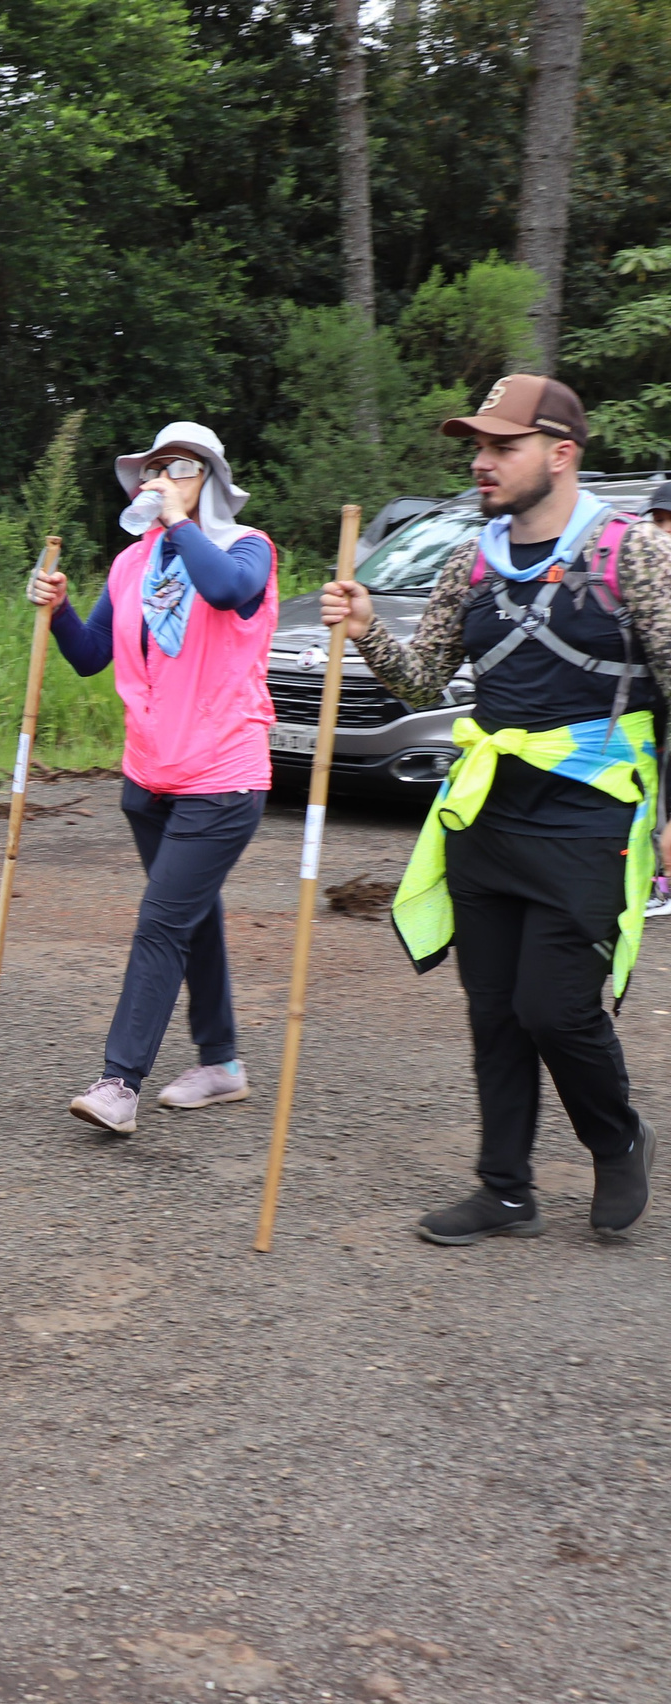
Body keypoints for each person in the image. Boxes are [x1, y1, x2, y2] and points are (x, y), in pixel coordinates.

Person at [321, 375, 670, 1245]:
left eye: (503, 446)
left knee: (556, 1008)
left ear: (562, 453)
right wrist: (366, 628)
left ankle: (617, 1137)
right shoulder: (468, 558)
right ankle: (505, 1190)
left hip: (589, 818)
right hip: (485, 816)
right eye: (477, 446)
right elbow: (423, 679)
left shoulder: (632, 552)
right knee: (495, 1011)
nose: (482, 461)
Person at [26, 422, 281, 1135]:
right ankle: (222, 1064)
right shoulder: (131, 564)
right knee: (190, 915)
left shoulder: (247, 548)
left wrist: (177, 523)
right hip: (149, 776)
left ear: (212, 482)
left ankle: (119, 1082)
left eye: (179, 468)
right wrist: (58, 610)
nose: (160, 479)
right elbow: (90, 655)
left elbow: (226, 591)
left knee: (162, 922)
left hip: (224, 776)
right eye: (152, 469)